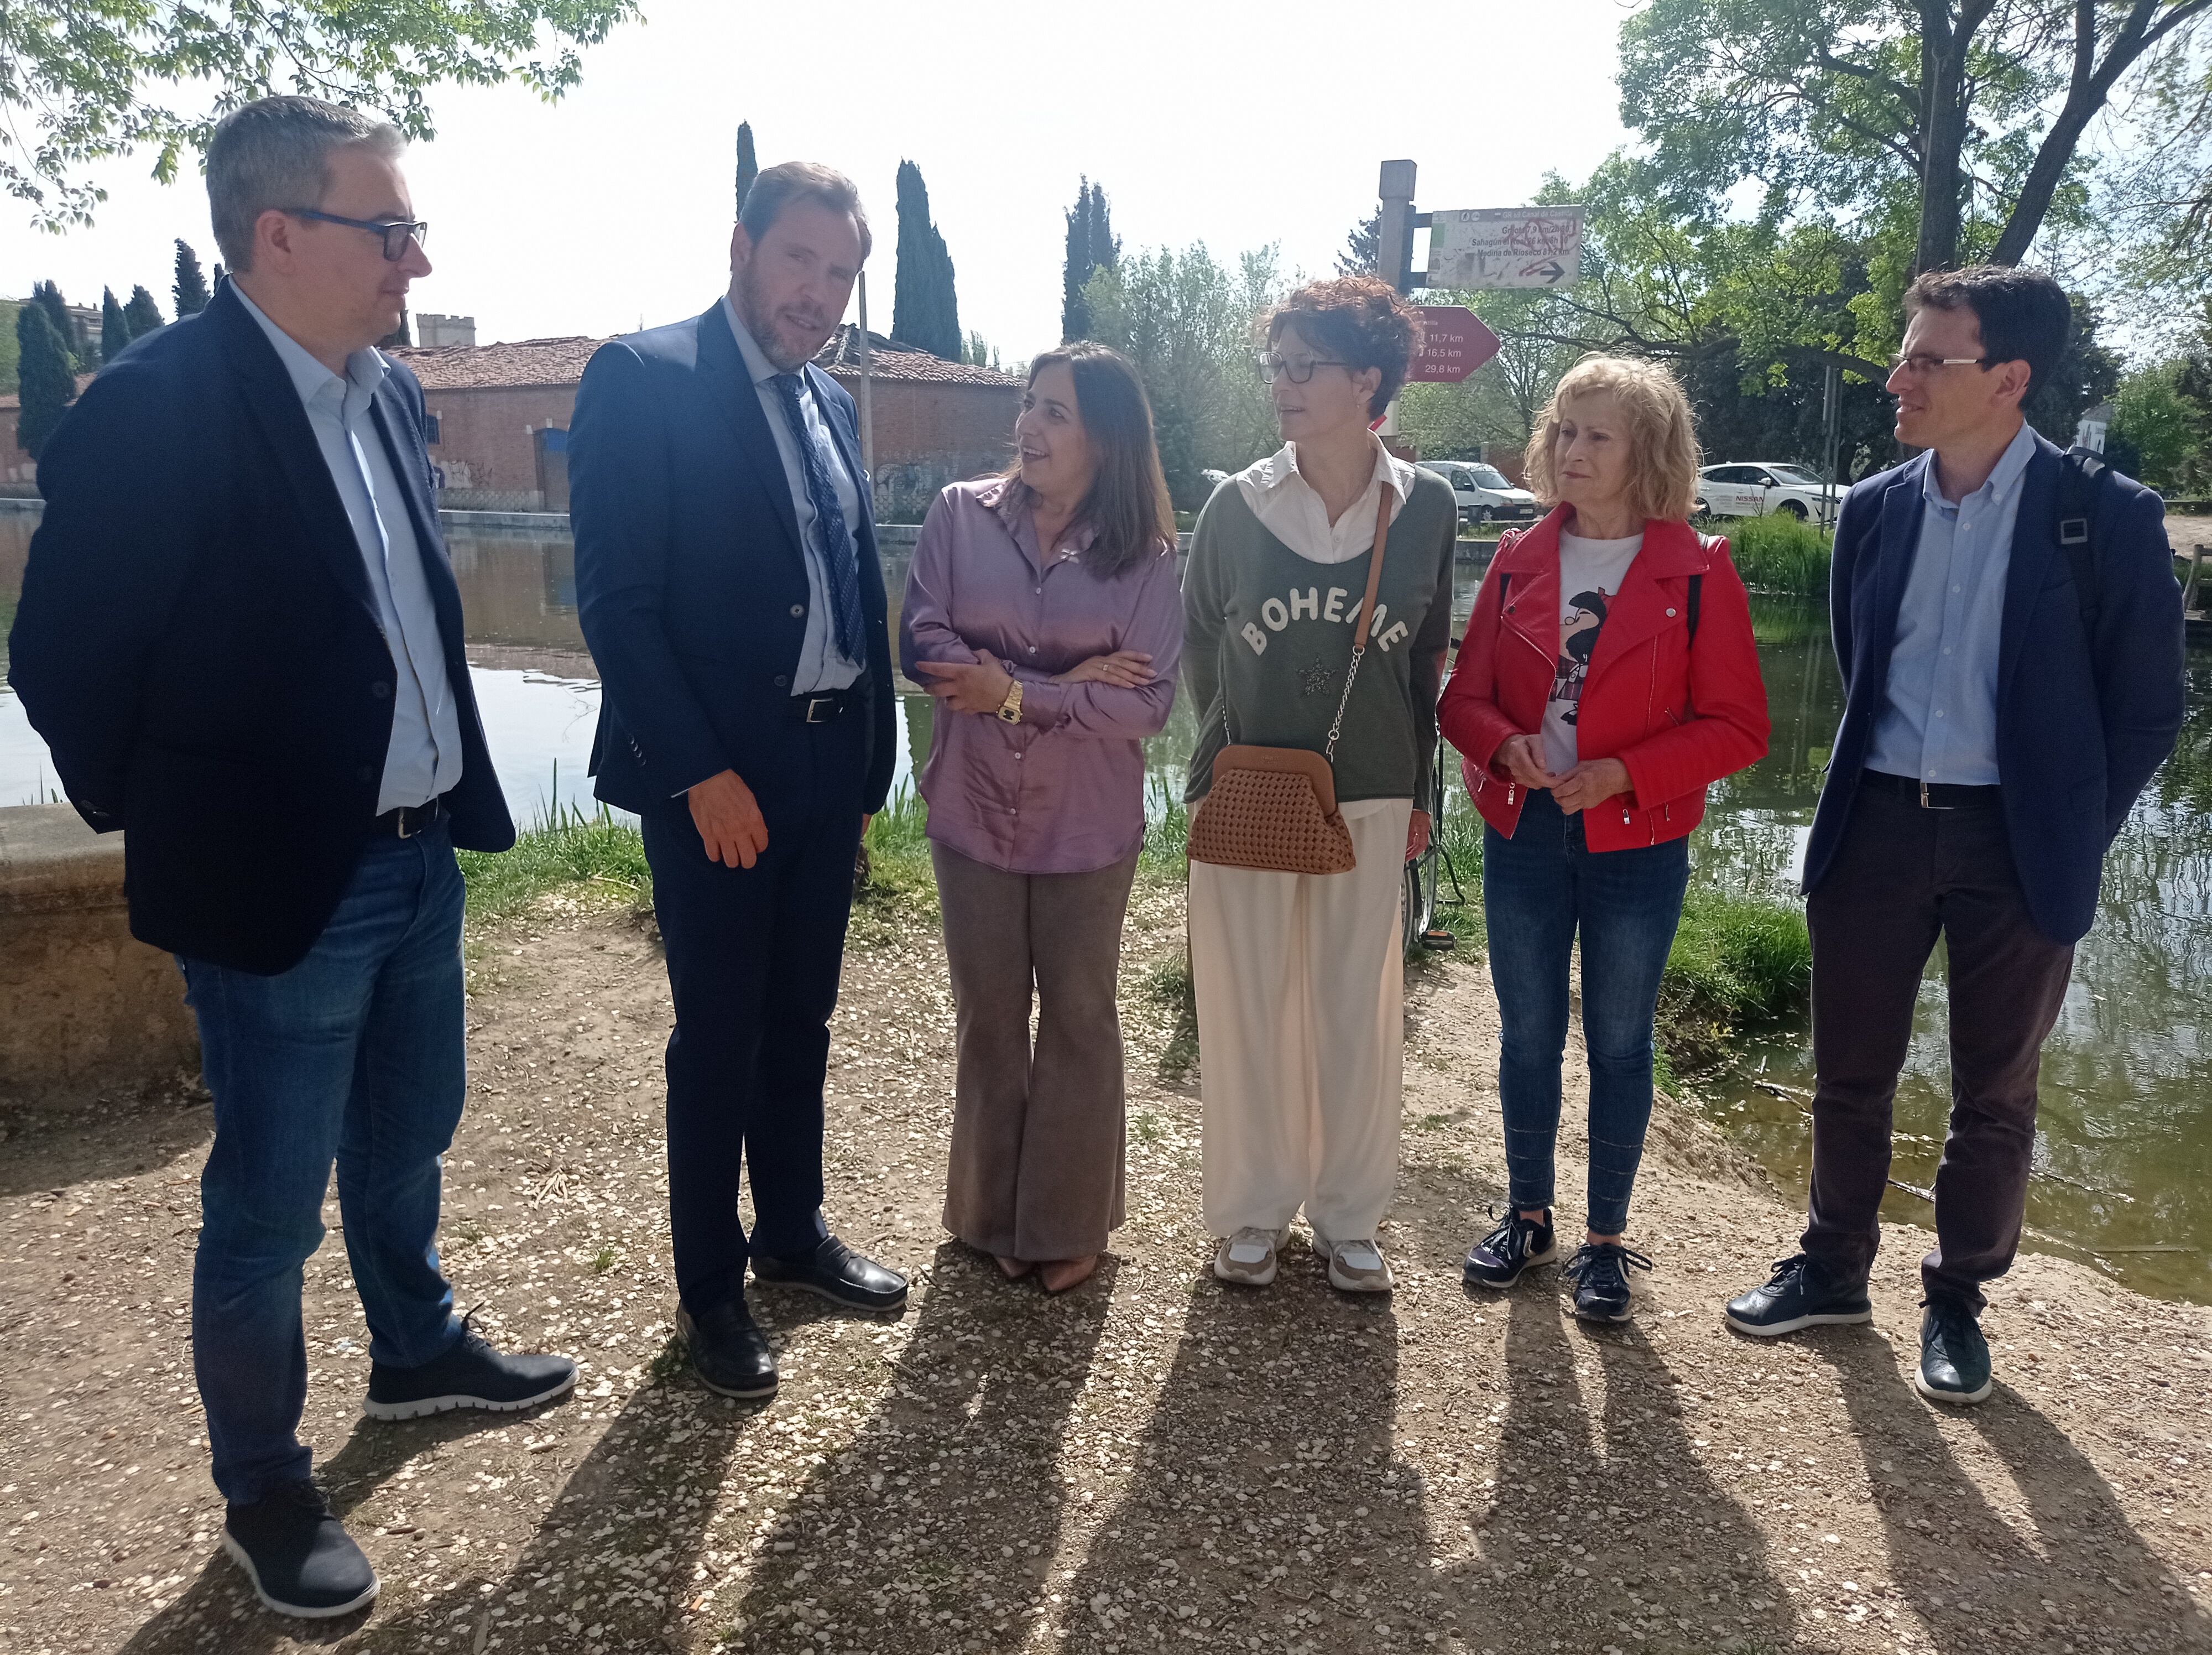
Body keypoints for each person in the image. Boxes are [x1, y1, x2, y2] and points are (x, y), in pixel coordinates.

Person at [7, 95, 576, 1620]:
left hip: (418, 859)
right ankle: (264, 1481)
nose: (415, 257)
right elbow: (60, 658)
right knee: (267, 1203)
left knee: (408, 1139)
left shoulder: (384, 393)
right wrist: (184, 812)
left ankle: (414, 1352)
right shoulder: (155, 405)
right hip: (283, 889)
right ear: (278, 233)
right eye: (386, 228)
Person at [1723, 266, 2184, 1402]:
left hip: (2016, 843)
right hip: (1874, 821)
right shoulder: (1874, 506)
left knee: (1995, 1092)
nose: (1899, 378)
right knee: (1848, 1072)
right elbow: (1853, 654)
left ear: (2008, 378)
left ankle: (1956, 1299)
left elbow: (2144, 709)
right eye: (1904, 354)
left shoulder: (2104, 518)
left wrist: (2065, 824)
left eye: (1929, 359)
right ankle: (1831, 1267)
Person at [570, 162, 907, 1405]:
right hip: (715, 774)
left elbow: (852, 590)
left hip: (825, 764)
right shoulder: (643, 378)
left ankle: (791, 1231)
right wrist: (698, 771)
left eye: (838, 272)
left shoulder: (829, 401)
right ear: (742, 247)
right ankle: (710, 1283)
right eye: (798, 261)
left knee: (799, 1020)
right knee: (717, 1034)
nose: (816, 292)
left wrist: (869, 768)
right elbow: (617, 601)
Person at [1441, 355, 1770, 1321]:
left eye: (1598, 436)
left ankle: (1606, 1243)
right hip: (1526, 828)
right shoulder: (1516, 558)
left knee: (1622, 1042)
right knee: (1528, 1030)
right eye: (1564, 431)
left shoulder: (1698, 570)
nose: (1571, 450)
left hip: (1640, 839)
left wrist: (1624, 772)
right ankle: (1531, 1218)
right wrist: (1505, 749)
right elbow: (1462, 699)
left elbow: (1740, 727)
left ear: (1648, 453)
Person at [1183, 275, 1459, 1294]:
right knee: (1247, 1000)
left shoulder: (1426, 507)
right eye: (1277, 366)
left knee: (1358, 1005)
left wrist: (1426, 788)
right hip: (1251, 789)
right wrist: (1217, 754)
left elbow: (1425, 656)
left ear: (1368, 379)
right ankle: (1253, 1210)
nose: (1284, 385)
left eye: (1306, 366)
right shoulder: (1236, 503)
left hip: (1377, 790)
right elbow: (1202, 635)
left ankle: (1351, 1217)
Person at [900, 343, 1183, 1295]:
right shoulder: (956, 515)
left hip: (1085, 827)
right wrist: (1059, 685)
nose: (1030, 425)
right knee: (987, 1019)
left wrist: (1012, 693)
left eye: (1056, 412)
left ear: (1105, 435)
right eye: (1028, 405)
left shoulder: (1147, 558)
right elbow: (927, 645)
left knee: (1077, 1019)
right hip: (971, 814)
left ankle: (1067, 1224)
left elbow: (1146, 706)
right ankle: (989, 1217)